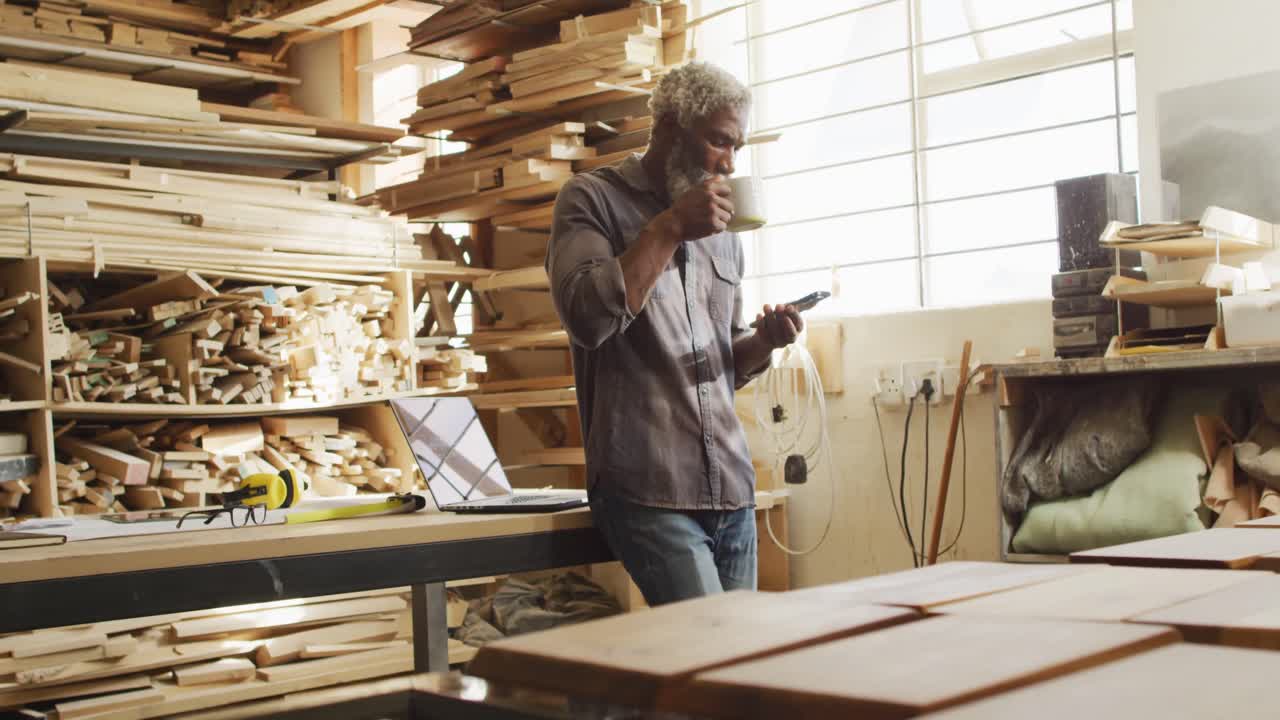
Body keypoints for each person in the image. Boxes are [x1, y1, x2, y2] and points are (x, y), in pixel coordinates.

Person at [546, 62, 803, 606]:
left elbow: (719, 365)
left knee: (736, 670)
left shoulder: (724, 231)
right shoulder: (590, 200)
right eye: (718, 141)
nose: (729, 162)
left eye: (737, 147)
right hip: (647, 485)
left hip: (730, 486)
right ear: (668, 128)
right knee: (709, 656)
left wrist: (766, 341)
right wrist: (667, 228)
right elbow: (588, 319)